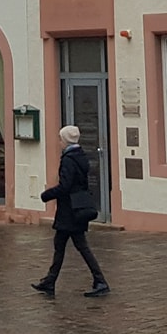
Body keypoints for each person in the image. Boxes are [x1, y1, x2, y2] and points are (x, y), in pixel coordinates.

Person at [32, 124, 109, 299]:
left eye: (60, 139)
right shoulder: (81, 156)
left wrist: (47, 195)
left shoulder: (68, 159)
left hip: (70, 211)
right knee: (62, 245)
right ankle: (50, 281)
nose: (59, 142)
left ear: (65, 140)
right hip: (76, 209)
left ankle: (100, 281)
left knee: (77, 246)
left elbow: (65, 186)